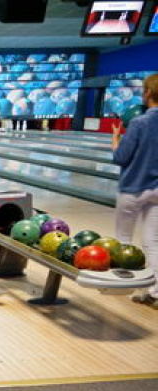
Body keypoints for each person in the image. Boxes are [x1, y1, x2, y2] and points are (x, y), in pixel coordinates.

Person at [112, 73, 158, 309]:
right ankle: (156, 293)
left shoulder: (139, 122)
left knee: (123, 239)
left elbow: (121, 158)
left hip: (133, 188)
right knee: (153, 242)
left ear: (147, 93)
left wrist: (115, 140)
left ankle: (121, 284)